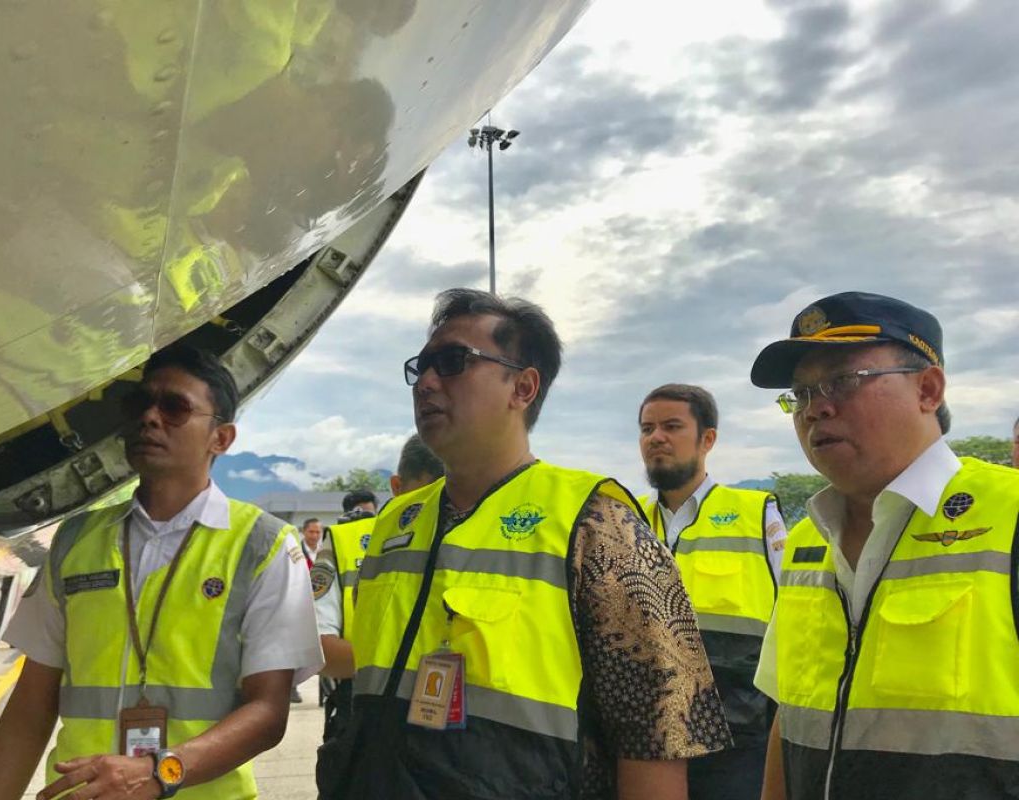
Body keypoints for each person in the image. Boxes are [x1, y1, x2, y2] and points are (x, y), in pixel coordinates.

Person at [318, 288, 730, 800]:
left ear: (524, 387)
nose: (425, 383)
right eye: (420, 367)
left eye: (452, 362)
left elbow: (656, 734)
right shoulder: (394, 523)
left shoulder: (597, 522)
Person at [0, 344, 323, 800]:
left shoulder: (264, 545)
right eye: (139, 405)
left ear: (221, 438)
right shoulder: (77, 540)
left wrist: (162, 771)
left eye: (175, 407)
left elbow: (268, 711)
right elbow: (30, 706)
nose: (150, 418)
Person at [749, 291, 1019, 800]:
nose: (815, 410)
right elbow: (791, 714)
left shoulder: (1009, 516)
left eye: (844, 381)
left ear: (928, 390)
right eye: (801, 394)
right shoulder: (808, 540)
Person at [637, 384, 787, 800]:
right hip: (643, 737)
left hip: (735, 738)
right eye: (647, 428)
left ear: (708, 439)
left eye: (671, 426)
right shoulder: (624, 520)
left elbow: (793, 617)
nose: (656, 438)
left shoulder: (756, 514)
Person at [312, 434, 445, 741]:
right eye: (423, 497)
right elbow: (316, 647)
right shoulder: (348, 542)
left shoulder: (475, 546)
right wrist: (405, 669)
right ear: (397, 487)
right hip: (364, 720)